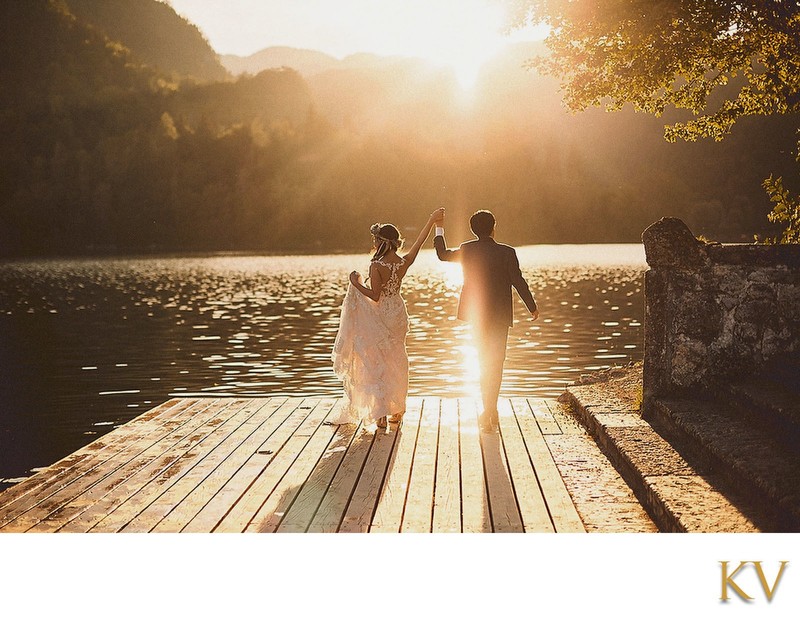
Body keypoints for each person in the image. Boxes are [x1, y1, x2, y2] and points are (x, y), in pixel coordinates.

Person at [332, 208, 445, 428]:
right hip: (399, 312)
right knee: (397, 359)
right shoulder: (403, 262)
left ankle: (381, 413)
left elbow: (375, 296)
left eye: (375, 240)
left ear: (382, 242)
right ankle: (397, 410)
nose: (374, 244)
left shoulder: (377, 265)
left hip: (382, 312)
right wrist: (431, 221)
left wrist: (356, 285)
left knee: (378, 360)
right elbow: (420, 243)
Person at [434, 209, 539, 431]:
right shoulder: (507, 252)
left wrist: (439, 226)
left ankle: (488, 410)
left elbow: (442, 255)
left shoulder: (467, 249)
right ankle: (491, 410)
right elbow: (518, 281)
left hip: (477, 315)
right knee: (496, 362)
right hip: (500, 316)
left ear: (473, 229)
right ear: (494, 227)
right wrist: (532, 307)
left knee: (483, 361)